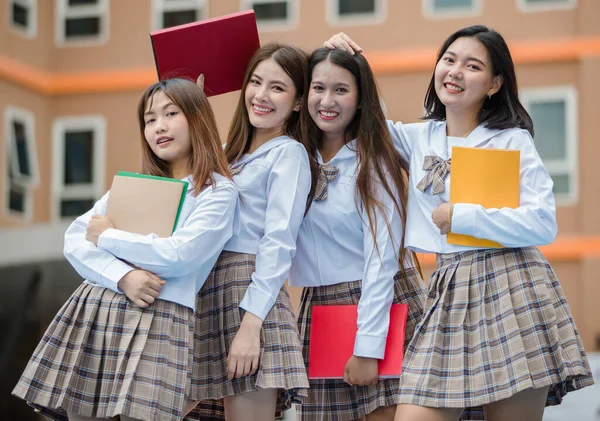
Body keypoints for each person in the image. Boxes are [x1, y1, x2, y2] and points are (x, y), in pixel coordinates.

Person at [326, 25, 594, 421]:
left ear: (494, 83)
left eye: (472, 66)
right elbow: (371, 122)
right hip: (448, 286)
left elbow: (542, 223)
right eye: (449, 60)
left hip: (511, 285)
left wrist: (461, 216)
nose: (454, 71)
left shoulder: (511, 140)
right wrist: (352, 61)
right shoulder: (418, 138)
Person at [12, 78, 239, 421]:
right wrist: (124, 276)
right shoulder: (133, 185)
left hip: (164, 315)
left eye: (170, 113)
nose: (159, 126)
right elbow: (74, 240)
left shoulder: (217, 192)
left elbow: (179, 254)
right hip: (101, 305)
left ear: (197, 118)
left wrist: (109, 238)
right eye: (149, 120)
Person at [288, 47, 426, 421]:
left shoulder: (374, 158)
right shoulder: (294, 155)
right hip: (321, 308)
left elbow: (382, 258)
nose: (327, 101)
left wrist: (368, 348)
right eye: (318, 88)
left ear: (361, 98)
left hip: (381, 303)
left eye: (341, 90)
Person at [189, 43, 311, 421]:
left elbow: (278, 242)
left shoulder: (288, 153)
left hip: (250, 293)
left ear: (296, 102)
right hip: (205, 289)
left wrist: (251, 325)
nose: (261, 95)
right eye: (256, 82)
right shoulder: (225, 154)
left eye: (277, 87)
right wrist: (192, 102)